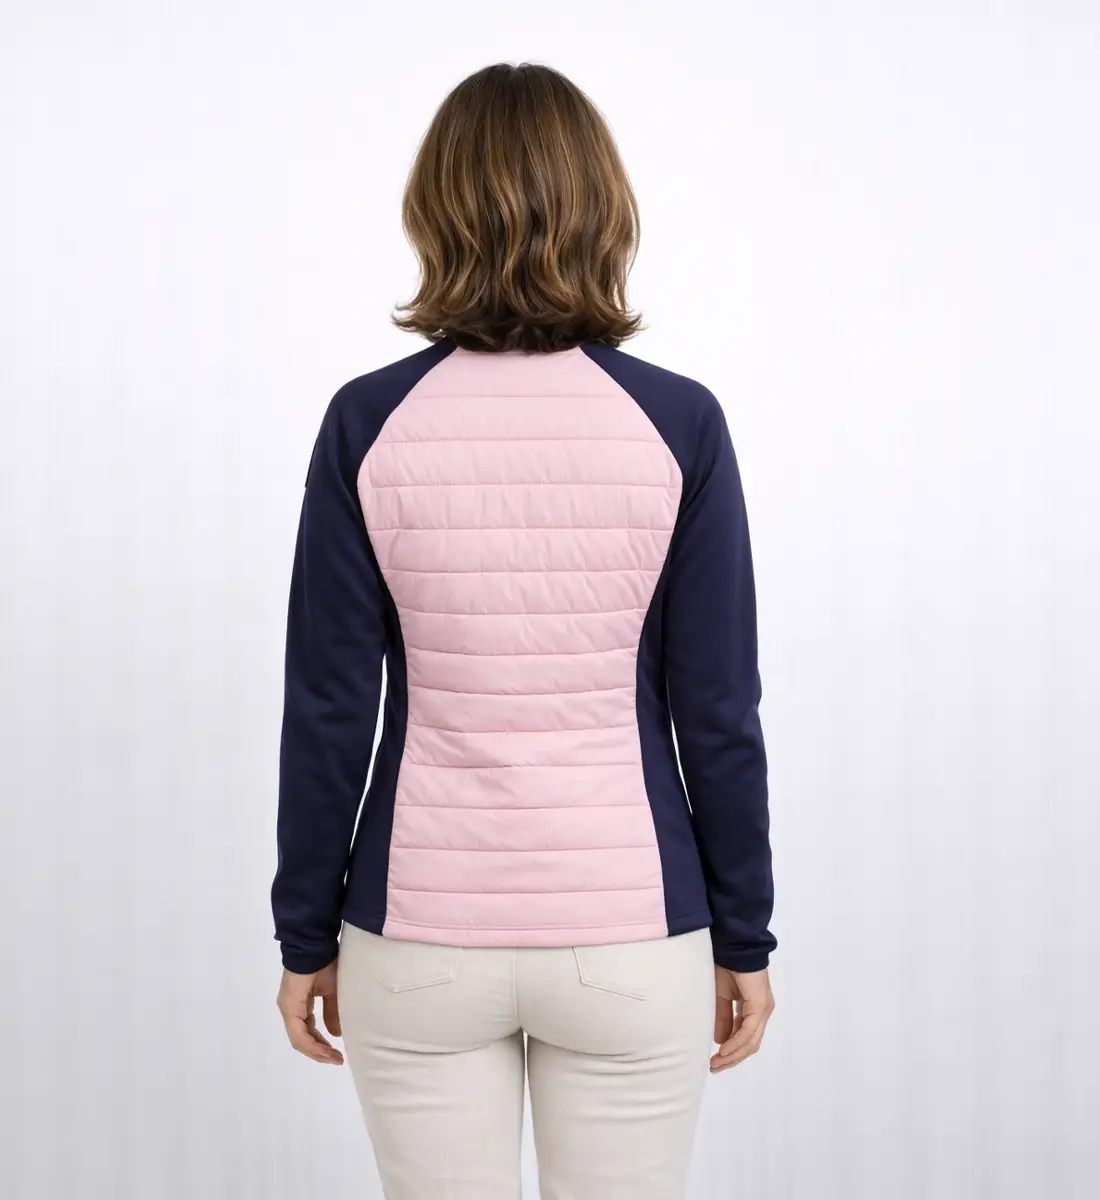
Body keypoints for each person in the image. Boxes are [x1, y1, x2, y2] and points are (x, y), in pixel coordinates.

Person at [271, 61, 776, 1200]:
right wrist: (743, 936)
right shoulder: (677, 422)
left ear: (433, 209)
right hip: (631, 936)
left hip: (417, 937)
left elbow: (329, 709)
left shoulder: (368, 421)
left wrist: (305, 934)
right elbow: (716, 710)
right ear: (604, 208)